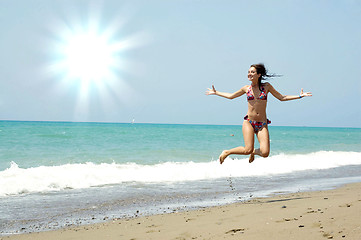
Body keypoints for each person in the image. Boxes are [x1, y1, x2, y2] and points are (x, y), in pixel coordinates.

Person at [206, 63, 312, 164]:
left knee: (265, 153)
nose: (249, 74)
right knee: (247, 149)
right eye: (248, 72)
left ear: (259, 74)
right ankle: (227, 152)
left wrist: (299, 96)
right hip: (249, 122)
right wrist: (216, 92)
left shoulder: (266, 87)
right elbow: (231, 96)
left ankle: (253, 152)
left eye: (252, 72)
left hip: (262, 124)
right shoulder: (246, 88)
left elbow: (282, 97)